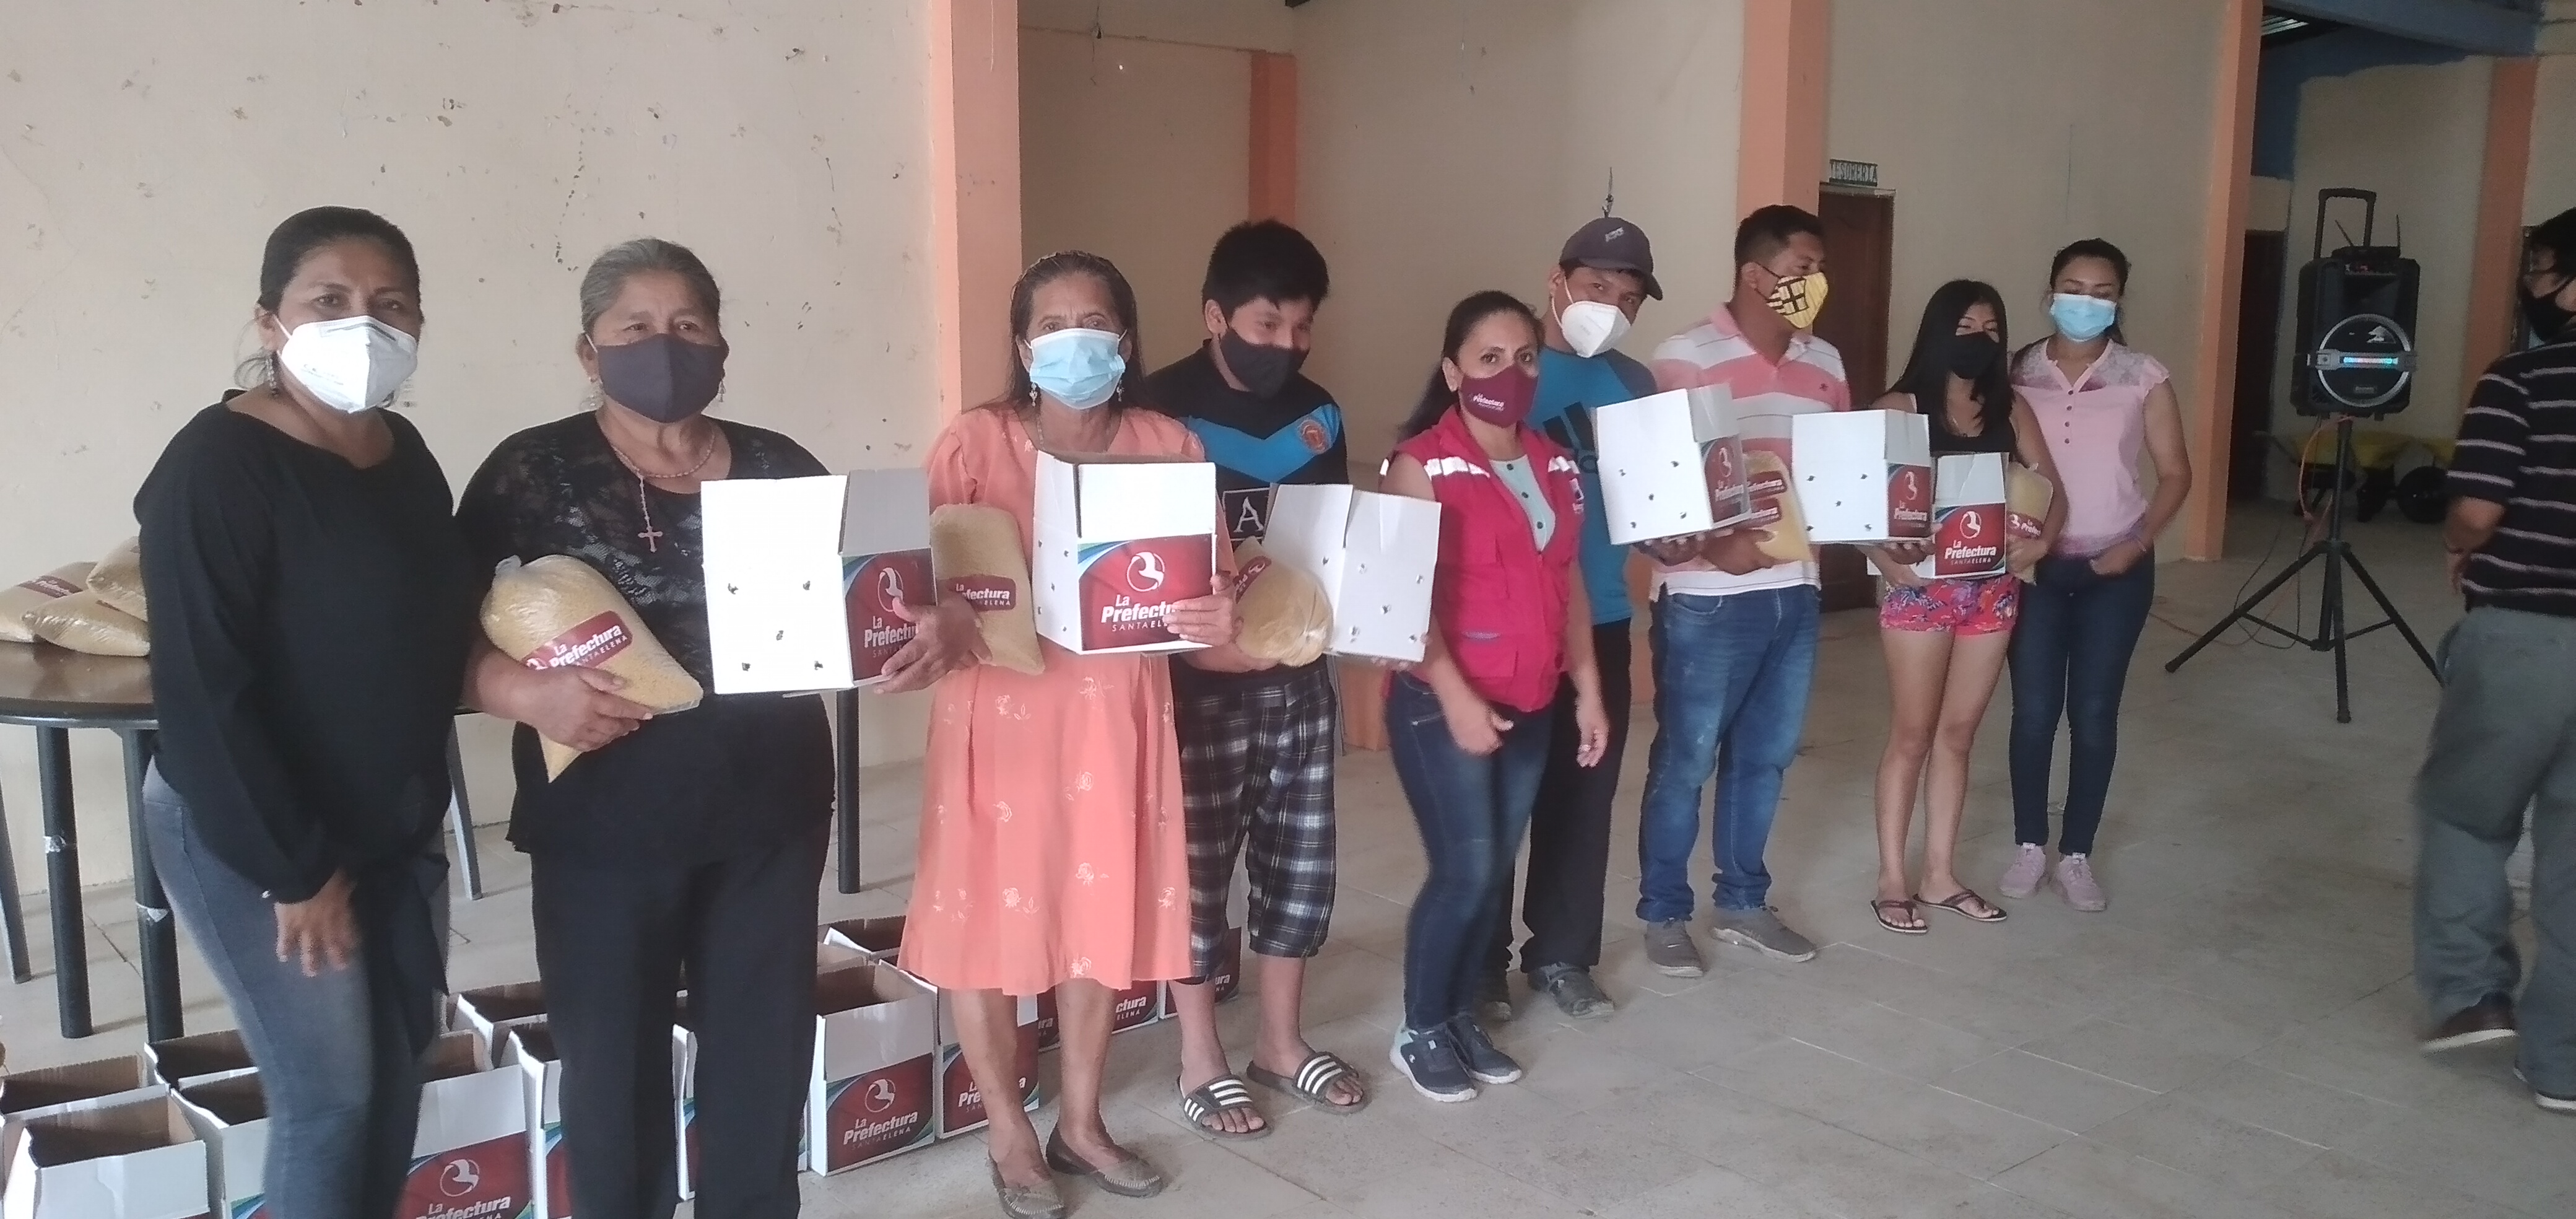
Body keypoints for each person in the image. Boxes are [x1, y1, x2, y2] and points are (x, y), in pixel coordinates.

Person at [458, 239, 972, 1219]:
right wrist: (522, 695)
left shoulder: (781, 466)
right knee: (612, 1066)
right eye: (636, 327)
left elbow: (888, 590)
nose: (666, 345)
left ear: (722, 345)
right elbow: (443, 629)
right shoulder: (532, 471)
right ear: (589, 351)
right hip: (604, 822)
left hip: (769, 812)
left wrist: (934, 622)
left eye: (688, 324)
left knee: (762, 1054)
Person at [137, 206, 477, 1219]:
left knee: (400, 1065)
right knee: (330, 1097)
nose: (363, 323)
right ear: (269, 320)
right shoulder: (215, 469)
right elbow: (205, 695)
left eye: (391, 304)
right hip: (259, 831)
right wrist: (295, 870)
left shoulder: (403, 454)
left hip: (390, 819)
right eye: (330, 300)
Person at [903, 251, 1242, 1218]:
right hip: (997, 718)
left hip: (1114, 717)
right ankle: (1009, 1132)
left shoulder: (1168, 445)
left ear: (1126, 341)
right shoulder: (974, 444)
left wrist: (1217, 612)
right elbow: (911, 576)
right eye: (1051, 327)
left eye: (1093, 322)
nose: (1073, 341)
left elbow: (1211, 589)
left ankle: (1083, 1124)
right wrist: (935, 611)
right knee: (984, 925)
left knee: (1101, 919)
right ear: (1023, 348)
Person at [1144, 221, 1368, 1138]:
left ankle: (1280, 1043)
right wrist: (1204, 649)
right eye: (1267, 324)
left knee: (1299, 864)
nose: (1287, 344)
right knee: (1196, 876)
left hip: (1296, 676)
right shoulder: (1155, 414)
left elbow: (1331, 546)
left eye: (1301, 326)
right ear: (1216, 316)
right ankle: (1201, 1055)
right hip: (1193, 686)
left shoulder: (1320, 415)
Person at [1379, 291, 1609, 1102]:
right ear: (1452, 372)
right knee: (1465, 869)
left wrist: (1587, 689)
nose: (1509, 374)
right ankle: (1419, 1029)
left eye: (1524, 358)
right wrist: (1453, 696)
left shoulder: (1553, 462)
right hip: (1441, 702)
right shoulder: (1421, 464)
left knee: (1490, 869)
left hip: (1532, 698)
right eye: (1488, 359)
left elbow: (1568, 585)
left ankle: (1456, 1017)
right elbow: (1401, 598)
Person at [1630, 204, 1849, 974]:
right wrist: (1711, 545)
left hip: (1796, 591)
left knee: (1765, 758)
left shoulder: (1825, 362)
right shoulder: (1684, 357)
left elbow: (1837, 473)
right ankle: (1663, 912)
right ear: (1754, 274)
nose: (1812, 283)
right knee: (1685, 761)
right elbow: (1651, 485)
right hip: (1704, 598)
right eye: (1800, 269)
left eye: (1817, 270)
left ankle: (1742, 903)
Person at [2414, 204, 2576, 1116]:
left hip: (2523, 635)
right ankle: (2562, 1064)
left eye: (2544, 270)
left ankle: (2472, 991)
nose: (2533, 287)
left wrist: (2457, 542)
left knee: (2466, 813)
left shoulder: (2520, 380)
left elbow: (2477, 511)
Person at [1483, 217, 1661, 1021]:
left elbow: (1653, 505)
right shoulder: (1506, 368)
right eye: (1596, 288)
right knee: (1495, 800)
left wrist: (1676, 533)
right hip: (1508, 624)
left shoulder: (1634, 383)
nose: (1610, 308)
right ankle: (1479, 966)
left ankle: (1561, 954)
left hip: (1604, 617)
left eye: (1628, 298)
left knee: (1583, 796)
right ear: (1555, 281)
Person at [1861, 281, 2063, 935]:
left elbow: (2051, 488)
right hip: (1919, 592)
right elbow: (1850, 499)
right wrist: (1884, 558)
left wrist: (2040, 544)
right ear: (1937, 332)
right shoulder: (1898, 408)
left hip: (1992, 592)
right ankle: (1892, 879)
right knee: (1912, 734)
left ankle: (1939, 875)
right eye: (1966, 327)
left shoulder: (2010, 407)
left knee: (1958, 735)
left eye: (1991, 329)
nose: (1980, 339)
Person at [2003, 239, 2191, 911]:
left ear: (2118, 301)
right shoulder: (2015, 370)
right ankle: (2029, 843)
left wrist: (2138, 544)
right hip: (2035, 567)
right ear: (2050, 292)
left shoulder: (2142, 375)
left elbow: (2175, 473)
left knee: (2092, 713)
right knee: (2032, 712)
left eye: (2102, 292)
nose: (2086, 302)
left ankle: (2076, 854)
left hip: (2115, 568)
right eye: (2074, 288)